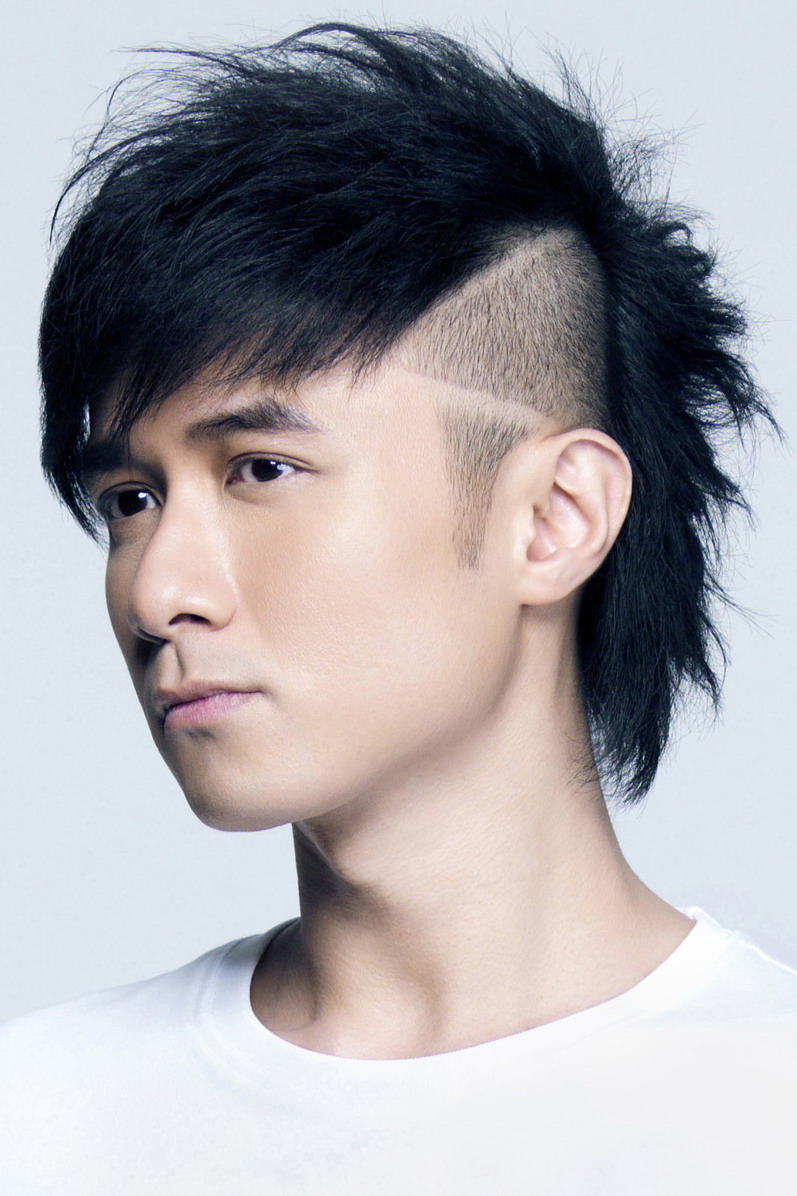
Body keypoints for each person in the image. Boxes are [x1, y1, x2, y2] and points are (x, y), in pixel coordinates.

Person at [2, 20, 795, 1194]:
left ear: (553, 517)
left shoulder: (767, 1109)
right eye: (129, 497)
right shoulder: (37, 1117)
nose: (160, 591)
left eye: (260, 469)